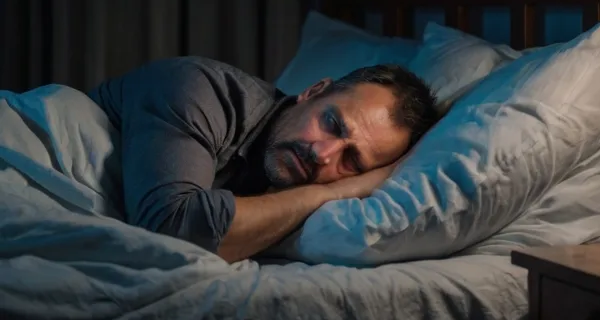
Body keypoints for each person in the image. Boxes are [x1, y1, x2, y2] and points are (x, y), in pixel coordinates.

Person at [89, 57, 440, 263]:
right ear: (313, 91)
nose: (322, 154)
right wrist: (328, 193)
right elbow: (169, 231)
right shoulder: (199, 90)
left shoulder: (276, 170)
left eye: (352, 161)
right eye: (331, 123)